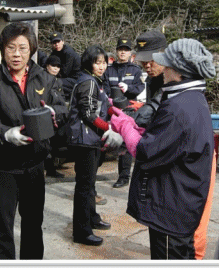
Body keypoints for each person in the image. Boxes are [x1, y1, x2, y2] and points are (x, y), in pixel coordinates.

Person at [110, 38, 216, 259]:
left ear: (178, 70)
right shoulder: (192, 98)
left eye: (166, 64)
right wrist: (139, 130)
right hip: (180, 204)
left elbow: (145, 152)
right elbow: (166, 142)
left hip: (171, 210)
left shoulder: (179, 107)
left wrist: (125, 126)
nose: (163, 69)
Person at [0, 22, 68, 260]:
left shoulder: (44, 78)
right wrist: (7, 133)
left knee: (33, 225)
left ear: (31, 49)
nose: (17, 54)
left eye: (23, 48)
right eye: (11, 47)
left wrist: (55, 113)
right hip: (2, 166)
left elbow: (62, 108)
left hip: (34, 165)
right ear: (2, 49)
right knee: (2, 229)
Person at [66, 44, 123, 246]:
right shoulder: (88, 82)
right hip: (85, 140)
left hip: (91, 139)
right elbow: (88, 114)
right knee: (84, 186)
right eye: (97, 63)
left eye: (104, 62)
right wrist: (109, 128)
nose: (102, 66)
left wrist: (117, 113)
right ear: (88, 63)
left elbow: (102, 106)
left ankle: (92, 218)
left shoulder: (94, 81)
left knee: (89, 184)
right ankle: (82, 231)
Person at [103, 38, 145, 189]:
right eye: (120, 49)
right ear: (116, 51)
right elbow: (104, 86)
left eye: (126, 50)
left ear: (130, 53)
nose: (123, 52)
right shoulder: (108, 69)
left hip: (128, 110)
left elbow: (140, 87)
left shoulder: (135, 70)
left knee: (125, 145)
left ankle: (123, 176)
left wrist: (128, 89)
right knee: (104, 139)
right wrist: (109, 97)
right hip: (111, 109)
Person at [43, 54, 67, 178]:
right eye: (53, 65)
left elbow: (61, 99)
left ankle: (51, 168)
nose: (56, 68)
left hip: (58, 116)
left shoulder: (58, 81)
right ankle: (49, 169)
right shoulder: (42, 79)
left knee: (53, 143)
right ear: (47, 66)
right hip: (46, 115)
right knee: (46, 144)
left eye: (58, 66)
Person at [49, 32, 81, 97]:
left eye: (58, 42)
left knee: (55, 82)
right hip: (66, 78)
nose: (57, 44)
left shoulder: (68, 53)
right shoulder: (54, 53)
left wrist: (53, 73)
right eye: (54, 43)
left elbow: (65, 73)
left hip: (76, 79)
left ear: (63, 42)